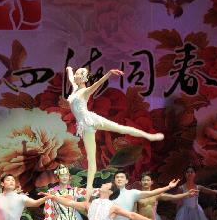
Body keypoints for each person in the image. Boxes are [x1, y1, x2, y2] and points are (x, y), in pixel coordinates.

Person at [65, 66, 164, 198]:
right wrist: (69, 69)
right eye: (76, 74)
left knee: (120, 128)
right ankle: (88, 193)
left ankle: (148, 135)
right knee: (91, 159)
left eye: (78, 74)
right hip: (85, 126)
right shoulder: (75, 89)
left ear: (82, 78)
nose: (75, 77)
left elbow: (97, 84)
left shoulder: (85, 91)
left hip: (91, 120)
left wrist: (109, 74)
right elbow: (71, 79)